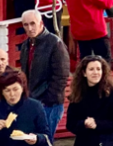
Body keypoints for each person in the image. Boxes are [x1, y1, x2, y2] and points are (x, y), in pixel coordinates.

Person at [17, 10, 69, 140]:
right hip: (32, 101)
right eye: (26, 25)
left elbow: (61, 77)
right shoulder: (26, 45)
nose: (29, 28)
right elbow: (25, 73)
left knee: (44, 140)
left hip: (50, 104)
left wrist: (47, 100)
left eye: (33, 24)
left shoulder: (55, 44)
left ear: (41, 23)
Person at [66, 56, 113, 146]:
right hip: (84, 141)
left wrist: (97, 124)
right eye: (91, 69)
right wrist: (84, 123)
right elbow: (70, 124)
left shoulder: (111, 93)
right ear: (84, 73)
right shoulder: (78, 94)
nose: (95, 72)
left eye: (98, 69)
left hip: (107, 141)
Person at [0, 71, 51, 146]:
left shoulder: (35, 106)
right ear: (2, 92)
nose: (12, 94)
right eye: (7, 90)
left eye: (15, 89)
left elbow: (46, 137)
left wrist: (37, 139)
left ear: (22, 89)